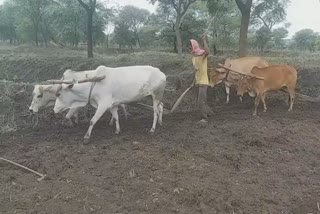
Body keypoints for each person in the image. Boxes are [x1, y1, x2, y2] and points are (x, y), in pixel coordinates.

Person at [190, 33, 213, 123]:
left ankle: (204, 118)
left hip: (203, 82)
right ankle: (210, 113)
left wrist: (204, 40)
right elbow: (196, 72)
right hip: (198, 82)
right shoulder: (193, 59)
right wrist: (193, 82)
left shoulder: (202, 57)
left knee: (201, 102)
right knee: (202, 101)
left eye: (190, 47)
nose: (189, 49)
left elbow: (207, 52)